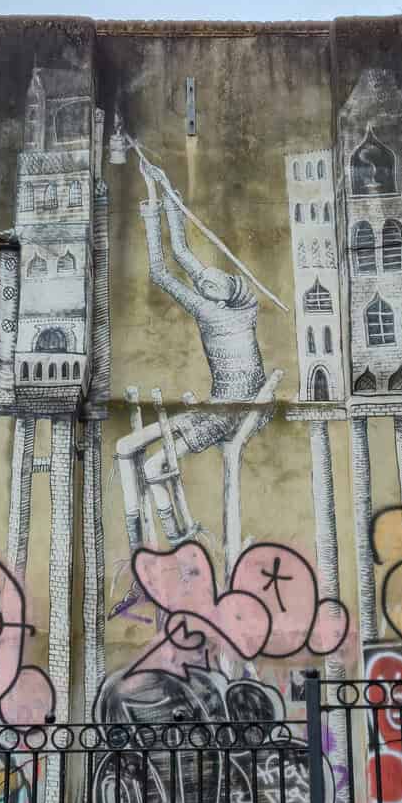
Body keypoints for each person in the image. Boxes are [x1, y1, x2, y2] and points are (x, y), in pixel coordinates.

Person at [114, 161, 271, 589]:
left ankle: (181, 544)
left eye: (212, 281)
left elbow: (169, 267)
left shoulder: (229, 310)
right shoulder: (225, 304)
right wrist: (160, 191)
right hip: (215, 403)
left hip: (230, 410)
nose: (205, 281)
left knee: (153, 467)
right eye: (204, 281)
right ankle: (137, 548)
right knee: (124, 447)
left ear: (227, 289)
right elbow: (178, 260)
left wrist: (160, 206)